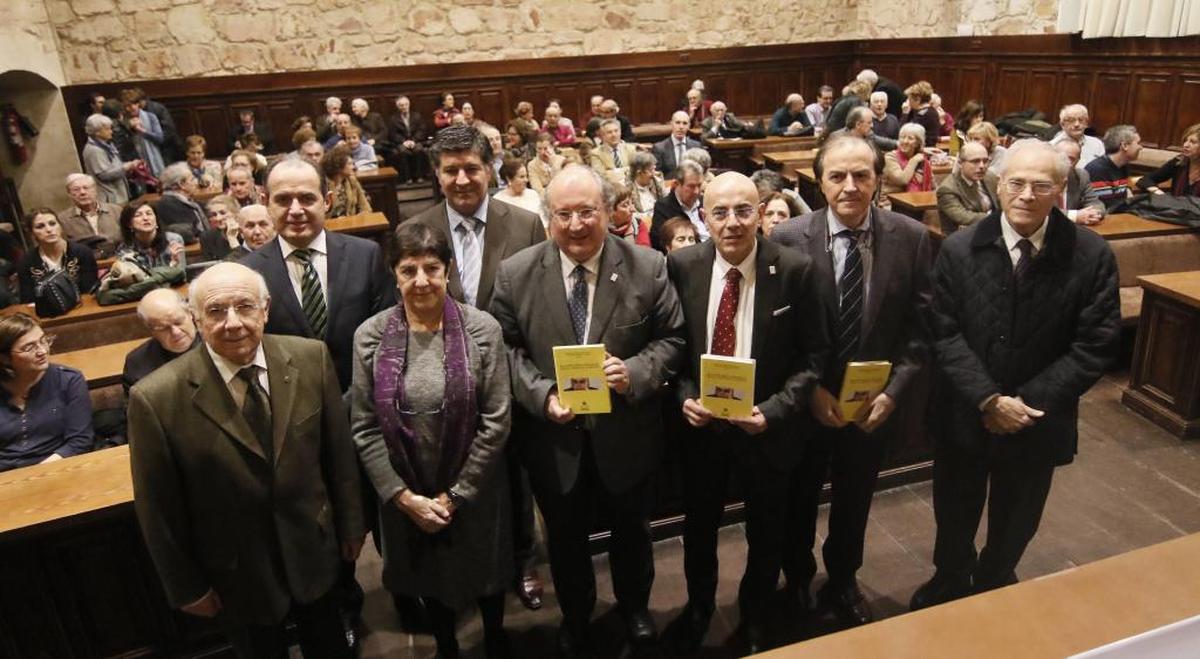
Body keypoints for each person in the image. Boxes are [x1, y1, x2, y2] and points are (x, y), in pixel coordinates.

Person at [911, 139, 1120, 610]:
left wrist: (1022, 405)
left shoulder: (1090, 255)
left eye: (1041, 185)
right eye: (1016, 183)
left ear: (1061, 190)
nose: (1026, 194)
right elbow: (942, 332)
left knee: (1019, 516)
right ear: (998, 186)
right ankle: (950, 577)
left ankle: (994, 578)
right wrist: (988, 399)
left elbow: (1095, 344)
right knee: (955, 509)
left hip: (1037, 419)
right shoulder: (960, 249)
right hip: (965, 413)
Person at [490, 164, 686, 655]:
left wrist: (637, 373)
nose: (576, 225)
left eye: (587, 212)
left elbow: (673, 337)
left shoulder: (648, 265)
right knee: (565, 539)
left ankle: (635, 609)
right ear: (547, 216)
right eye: (564, 214)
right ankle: (576, 616)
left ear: (607, 211)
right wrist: (542, 396)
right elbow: (504, 351)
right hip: (555, 440)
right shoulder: (515, 275)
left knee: (632, 534)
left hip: (627, 434)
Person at [127, 262, 365, 658]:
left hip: (313, 549)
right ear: (196, 317)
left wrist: (352, 524)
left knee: (329, 646)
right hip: (235, 569)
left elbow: (338, 455)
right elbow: (158, 508)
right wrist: (186, 586)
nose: (233, 323)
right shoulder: (155, 398)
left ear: (265, 309)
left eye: (245, 307)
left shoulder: (310, 358)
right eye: (217, 311)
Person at [771, 135, 932, 627]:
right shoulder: (787, 237)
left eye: (861, 175)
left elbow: (921, 328)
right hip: (806, 401)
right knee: (798, 497)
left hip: (871, 404)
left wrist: (893, 393)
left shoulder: (911, 237)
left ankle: (843, 580)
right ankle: (796, 578)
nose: (850, 186)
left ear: (878, 178)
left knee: (855, 497)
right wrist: (810, 390)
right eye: (837, 176)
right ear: (819, 181)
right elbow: (777, 332)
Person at [665, 171, 828, 654]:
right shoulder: (681, 267)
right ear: (703, 217)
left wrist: (774, 411)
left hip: (766, 430)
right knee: (698, 530)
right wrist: (683, 396)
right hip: (702, 431)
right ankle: (698, 607)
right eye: (720, 212)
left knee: (767, 529)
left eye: (743, 210)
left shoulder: (796, 270)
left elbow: (814, 357)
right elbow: (672, 347)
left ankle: (755, 613)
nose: (732, 222)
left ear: (761, 213)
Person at [350, 222, 513, 659]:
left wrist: (456, 495)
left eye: (431, 268)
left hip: (475, 490)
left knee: (487, 575)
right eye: (408, 270)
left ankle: (496, 640)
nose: (420, 280)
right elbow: (363, 426)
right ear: (393, 273)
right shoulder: (369, 336)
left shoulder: (483, 329)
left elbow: (497, 419)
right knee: (429, 579)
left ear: (447, 270)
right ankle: (445, 647)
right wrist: (404, 499)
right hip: (408, 490)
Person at [410, 126, 547, 610]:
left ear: (490, 169)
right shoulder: (419, 226)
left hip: (511, 373)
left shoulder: (525, 223)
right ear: (437, 175)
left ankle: (524, 559)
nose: (463, 179)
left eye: (472, 168)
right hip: (447, 382)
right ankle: (471, 566)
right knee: (459, 473)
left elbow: (537, 302)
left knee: (516, 473)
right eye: (451, 170)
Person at [242, 158, 392, 392]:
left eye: (307, 198)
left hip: (365, 401)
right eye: (283, 200)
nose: (295, 210)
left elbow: (387, 335)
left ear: (327, 201)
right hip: (290, 410)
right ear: (265, 202)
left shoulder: (365, 256)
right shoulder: (248, 272)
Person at [0, 314, 93, 472]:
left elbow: (80, 441)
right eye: (29, 348)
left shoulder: (68, 379)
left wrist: (36, 474)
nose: (42, 351)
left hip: (57, 467)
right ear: (5, 359)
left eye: (44, 340)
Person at [122, 288, 200, 396]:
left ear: (190, 313)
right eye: (163, 328)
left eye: (178, 322)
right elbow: (136, 410)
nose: (176, 332)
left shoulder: (217, 341)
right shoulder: (137, 363)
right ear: (150, 330)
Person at [17, 208, 99, 303]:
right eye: (40, 227)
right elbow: (28, 299)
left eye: (52, 224)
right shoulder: (27, 261)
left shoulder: (82, 252)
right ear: (31, 233)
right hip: (48, 313)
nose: (49, 230)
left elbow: (90, 290)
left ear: (60, 226)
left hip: (84, 307)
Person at [936, 142, 1000, 234]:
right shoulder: (947, 189)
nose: (982, 166)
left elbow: (1002, 202)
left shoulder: (990, 177)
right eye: (975, 161)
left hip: (992, 231)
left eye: (985, 161)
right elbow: (964, 217)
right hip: (962, 237)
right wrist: (999, 217)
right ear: (960, 163)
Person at [81, 114, 139, 205]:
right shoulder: (94, 150)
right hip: (110, 197)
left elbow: (114, 165)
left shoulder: (107, 145)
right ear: (97, 132)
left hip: (119, 193)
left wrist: (130, 165)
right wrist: (125, 167)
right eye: (107, 129)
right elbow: (103, 174)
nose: (111, 132)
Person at [58, 173, 123, 250]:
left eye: (86, 188)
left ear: (95, 190)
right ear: (69, 194)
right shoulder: (63, 220)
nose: (82, 192)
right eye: (76, 189)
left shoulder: (116, 211)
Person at [652, 160, 707, 250]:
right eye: (691, 186)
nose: (697, 191)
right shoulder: (663, 207)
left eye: (699, 185)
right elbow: (660, 243)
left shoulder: (704, 202)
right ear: (676, 184)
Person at [1085, 124, 1142, 210]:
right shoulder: (1097, 170)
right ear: (1124, 146)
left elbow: (1124, 196)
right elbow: (1108, 206)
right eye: (1138, 143)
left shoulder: (1123, 165)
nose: (1141, 147)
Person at [116, 201, 186, 271]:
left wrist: (175, 263)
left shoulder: (173, 240)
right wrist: (170, 267)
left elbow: (181, 273)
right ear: (129, 224)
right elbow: (135, 280)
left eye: (149, 214)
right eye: (138, 215)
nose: (145, 218)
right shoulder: (125, 249)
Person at [1135, 123, 1200, 197]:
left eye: (1192, 142)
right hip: (1174, 207)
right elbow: (1145, 180)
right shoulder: (1179, 161)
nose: (1185, 145)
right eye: (1185, 140)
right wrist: (1160, 194)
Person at [1052, 140, 1106, 225]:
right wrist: (1075, 216)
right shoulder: (1040, 177)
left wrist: (1093, 214)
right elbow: (1040, 211)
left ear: (1078, 160)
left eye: (1071, 159)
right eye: (1062, 158)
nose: (1066, 163)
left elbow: (1095, 203)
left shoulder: (1081, 176)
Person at [154, 163, 209, 243]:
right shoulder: (168, 204)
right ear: (182, 184)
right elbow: (189, 232)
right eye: (192, 179)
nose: (196, 182)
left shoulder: (184, 199)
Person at [120, 89, 166, 176]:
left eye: (131, 105)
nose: (128, 109)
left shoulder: (150, 117)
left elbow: (160, 138)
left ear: (137, 104)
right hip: (135, 163)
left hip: (154, 160)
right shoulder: (123, 121)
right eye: (126, 106)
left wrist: (142, 131)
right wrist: (128, 128)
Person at [882, 123, 934, 197]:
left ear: (917, 143)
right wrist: (913, 161)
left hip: (919, 201)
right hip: (891, 203)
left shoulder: (922, 159)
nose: (905, 141)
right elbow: (902, 180)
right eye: (902, 137)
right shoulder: (890, 157)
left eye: (910, 138)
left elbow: (933, 185)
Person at [495, 158, 545, 229]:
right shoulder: (498, 200)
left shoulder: (533, 194)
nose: (526, 180)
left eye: (526, 176)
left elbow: (544, 222)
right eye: (522, 177)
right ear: (509, 179)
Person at [388, 95, 429, 183]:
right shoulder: (393, 119)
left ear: (409, 105)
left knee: (419, 150)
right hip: (401, 143)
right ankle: (407, 178)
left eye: (406, 104)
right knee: (403, 152)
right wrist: (404, 142)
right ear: (398, 107)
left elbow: (422, 130)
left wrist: (413, 140)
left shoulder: (417, 116)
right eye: (401, 105)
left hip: (416, 141)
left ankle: (419, 176)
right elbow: (393, 134)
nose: (404, 107)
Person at [652, 111, 703, 180]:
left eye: (685, 123)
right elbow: (656, 175)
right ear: (671, 124)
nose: (681, 127)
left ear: (689, 126)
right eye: (677, 123)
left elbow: (700, 171)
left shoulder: (696, 146)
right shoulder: (659, 148)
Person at [199, 195, 242, 261]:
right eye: (214, 215)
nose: (218, 218)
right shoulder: (207, 237)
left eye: (223, 213)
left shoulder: (245, 232)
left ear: (235, 213)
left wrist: (232, 239)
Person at [627, 151, 664, 226]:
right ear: (639, 172)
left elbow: (667, 202)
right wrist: (649, 216)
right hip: (641, 225)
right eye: (651, 170)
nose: (654, 174)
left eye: (654, 169)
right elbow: (630, 214)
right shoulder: (626, 188)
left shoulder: (657, 182)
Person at [608, 183, 651, 247]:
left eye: (632, 203)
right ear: (610, 210)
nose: (633, 209)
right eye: (625, 205)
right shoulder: (600, 232)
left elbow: (645, 254)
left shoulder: (638, 224)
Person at [901, 81, 942, 147]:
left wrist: (905, 114)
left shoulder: (926, 114)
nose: (907, 101)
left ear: (918, 100)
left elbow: (903, 133)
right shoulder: (917, 111)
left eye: (909, 98)